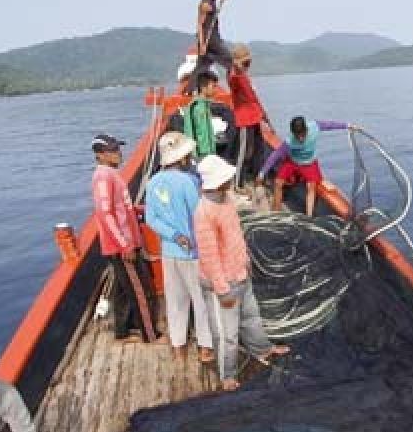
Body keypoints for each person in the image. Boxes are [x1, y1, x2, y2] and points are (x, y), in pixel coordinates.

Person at [193, 155, 289, 390]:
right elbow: (209, 256)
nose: (229, 181)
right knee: (227, 333)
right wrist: (222, 289)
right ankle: (227, 374)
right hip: (222, 283)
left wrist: (246, 262)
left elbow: (236, 236)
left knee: (251, 317)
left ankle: (262, 348)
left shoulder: (225, 200)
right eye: (226, 178)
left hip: (240, 275)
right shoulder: (204, 213)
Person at [145, 132, 215, 363]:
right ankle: (205, 346)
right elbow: (200, 216)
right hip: (192, 252)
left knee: (175, 300)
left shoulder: (153, 182)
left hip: (169, 251)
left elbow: (151, 219)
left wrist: (174, 236)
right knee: (201, 300)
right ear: (183, 157)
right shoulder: (188, 182)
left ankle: (179, 345)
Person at [91, 133, 157, 342]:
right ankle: (150, 334)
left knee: (122, 290)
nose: (119, 154)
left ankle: (122, 331)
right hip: (123, 246)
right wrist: (124, 245)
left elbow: (119, 207)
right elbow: (105, 213)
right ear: (100, 155)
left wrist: (135, 210)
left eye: (118, 149)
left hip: (123, 242)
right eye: (113, 151)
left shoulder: (110, 174)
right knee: (141, 291)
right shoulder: (104, 177)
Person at [257, 116, 358, 217]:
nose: (300, 138)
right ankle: (276, 210)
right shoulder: (289, 141)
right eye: (297, 136)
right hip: (293, 162)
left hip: (309, 163)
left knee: (311, 186)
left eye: (302, 135)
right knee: (278, 182)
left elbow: (330, 125)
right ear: (293, 133)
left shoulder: (314, 127)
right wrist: (262, 173)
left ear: (306, 129)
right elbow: (275, 155)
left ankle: (308, 216)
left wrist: (348, 125)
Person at [184, 0, 239, 93]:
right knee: (229, 60)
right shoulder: (205, 4)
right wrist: (202, 44)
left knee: (201, 66)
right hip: (210, 38)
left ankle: (189, 91)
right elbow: (199, 25)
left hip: (213, 37)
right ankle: (236, 86)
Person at [227, 42, 271, 186]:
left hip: (255, 117)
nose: (247, 66)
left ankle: (257, 176)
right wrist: (236, 67)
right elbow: (233, 79)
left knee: (258, 149)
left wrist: (264, 115)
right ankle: (237, 183)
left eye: (248, 63)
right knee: (244, 151)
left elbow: (254, 98)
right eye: (245, 63)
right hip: (245, 119)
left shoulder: (245, 77)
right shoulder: (235, 77)